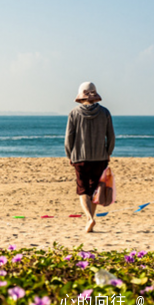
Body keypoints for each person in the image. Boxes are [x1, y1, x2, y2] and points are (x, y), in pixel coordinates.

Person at [64, 82, 115, 233]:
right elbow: (111, 136)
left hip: (80, 157)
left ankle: (89, 218)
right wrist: (108, 152)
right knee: (94, 191)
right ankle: (90, 221)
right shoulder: (105, 112)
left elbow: (68, 138)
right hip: (100, 157)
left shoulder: (74, 113)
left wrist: (70, 154)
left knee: (83, 190)